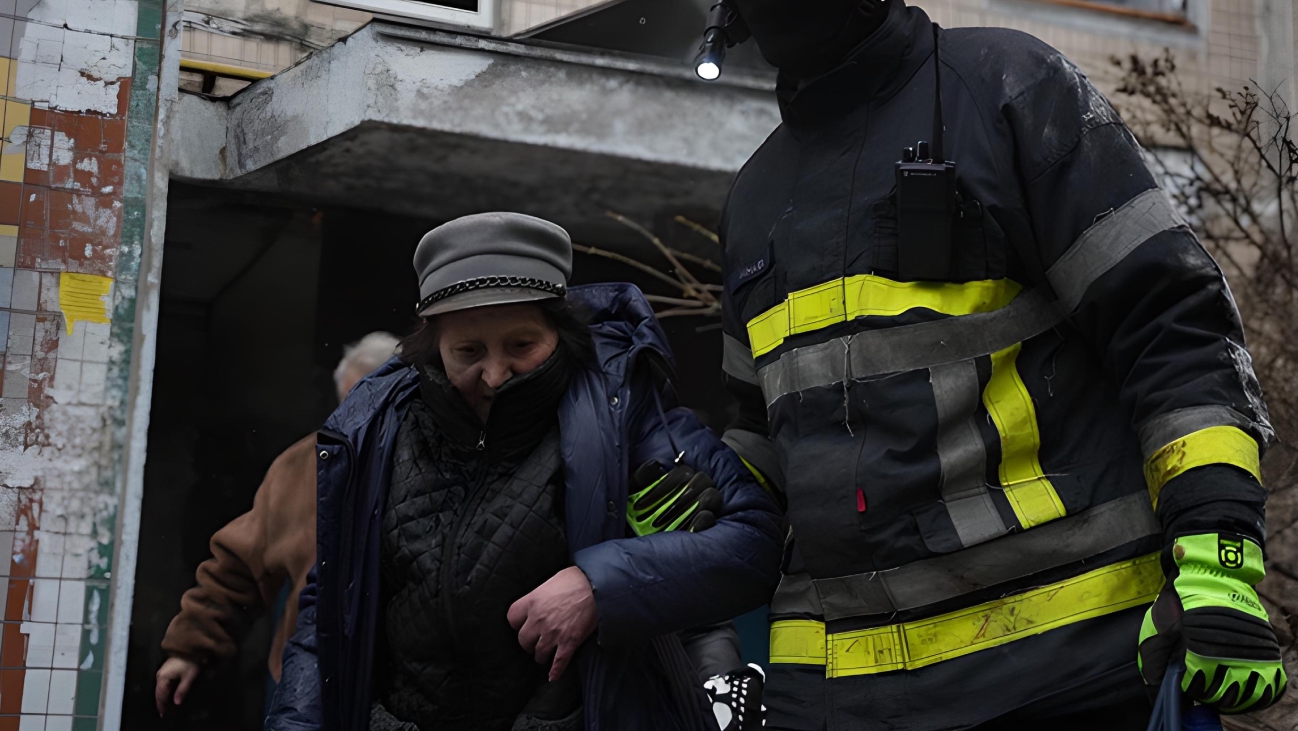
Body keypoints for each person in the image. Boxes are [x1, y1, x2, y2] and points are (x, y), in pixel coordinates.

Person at [710, 1, 1289, 729]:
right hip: (835, 703)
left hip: (1067, 676)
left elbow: (1170, 329)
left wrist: (1216, 557)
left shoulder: (1008, 89)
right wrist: (703, 486)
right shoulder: (754, 198)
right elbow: (767, 434)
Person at [266, 212, 783, 731]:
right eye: (468, 351)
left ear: (560, 331)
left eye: (521, 345)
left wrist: (599, 588)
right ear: (433, 345)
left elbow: (754, 539)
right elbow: (330, 611)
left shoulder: (623, 410)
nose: (494, 375)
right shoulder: (380, 429)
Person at [155, 332, 400, 717]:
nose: (362, 416)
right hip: (306, 685)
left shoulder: (430, 464)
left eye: (377, 400)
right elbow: (239, 565)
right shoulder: (299, 466)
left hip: (400, 689)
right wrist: (190, 648)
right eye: (352, 400)